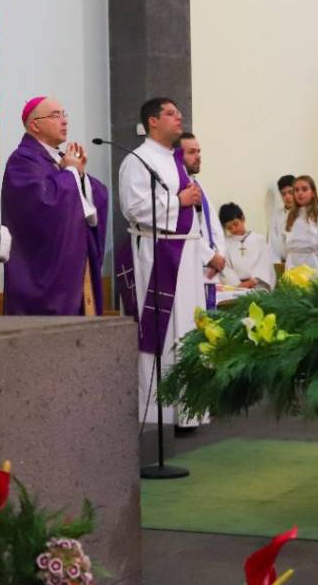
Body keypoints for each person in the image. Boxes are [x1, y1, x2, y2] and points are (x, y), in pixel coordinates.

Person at [115, 98, 208, 428]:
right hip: (159, 254)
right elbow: (134, 207)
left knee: (188, 328)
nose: (178, 116)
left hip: (185, 255)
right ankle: (159, 411)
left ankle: (189, 410)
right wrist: (179, 200)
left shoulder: (175, 160)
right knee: (164, 331)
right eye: (171, 113)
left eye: (179, 112)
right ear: (152, 122)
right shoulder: (138, 161)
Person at [1, 97, 109, 315]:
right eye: (55, 115)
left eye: (64, 114)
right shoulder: (23, 160)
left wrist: (80, 175)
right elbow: (42, 205)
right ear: (35, 125)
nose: (64, 121)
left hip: (74, 268)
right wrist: (71, 173)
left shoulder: (61, 159)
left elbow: (99, 195)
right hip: (43, 275)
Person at [176, 132, 227, 306]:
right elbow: (186, 228)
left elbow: (214, 226)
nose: (198, 157)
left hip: (210, 270)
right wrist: (210, 257)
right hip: (193, 268)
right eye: (191, 152)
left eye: (198, 151)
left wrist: (219, 256)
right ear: (177, 155)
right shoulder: (179, 187)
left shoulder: (197, 184)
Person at [217, 203, 277, 290]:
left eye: (235, 224)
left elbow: (265, 263)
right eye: (229, 228)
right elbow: (225, 267)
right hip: (236, 287)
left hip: (258, 285)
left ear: (243, 218)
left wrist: (253, 281)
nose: (233, 229)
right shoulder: (225, 244)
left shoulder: (259, 240)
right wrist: (238, 285)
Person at [284, 176, 318, 276]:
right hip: (293, 263)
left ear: (313, 193)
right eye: (296, 190)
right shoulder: (291, 215)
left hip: (314, 262)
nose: (300, 193)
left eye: (304, 189)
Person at [268, 174, 296, 262]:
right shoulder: (276, 216)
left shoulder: (305, 214)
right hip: (282, 263)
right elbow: (272, 244)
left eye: (290, 192)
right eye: (283, 194)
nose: (287, 197)